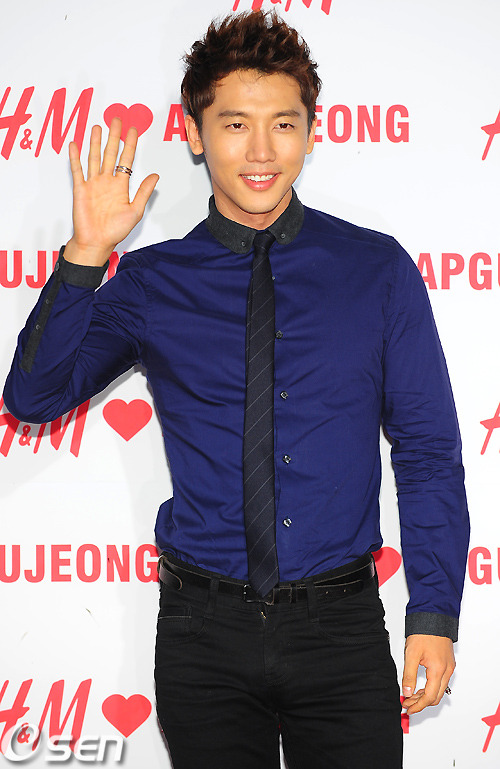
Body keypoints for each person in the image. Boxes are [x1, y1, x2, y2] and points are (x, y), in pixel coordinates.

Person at [3, 10, 469, 769]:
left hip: (342, 631)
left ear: (311, 132)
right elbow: (32, 397)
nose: (260, 151)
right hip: (203, 638)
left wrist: (436, 611)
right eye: (234, 124)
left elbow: (426, 452)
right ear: (195, 134)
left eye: (283, 124)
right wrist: (86, 253)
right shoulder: (152, 282)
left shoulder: (377, 271)